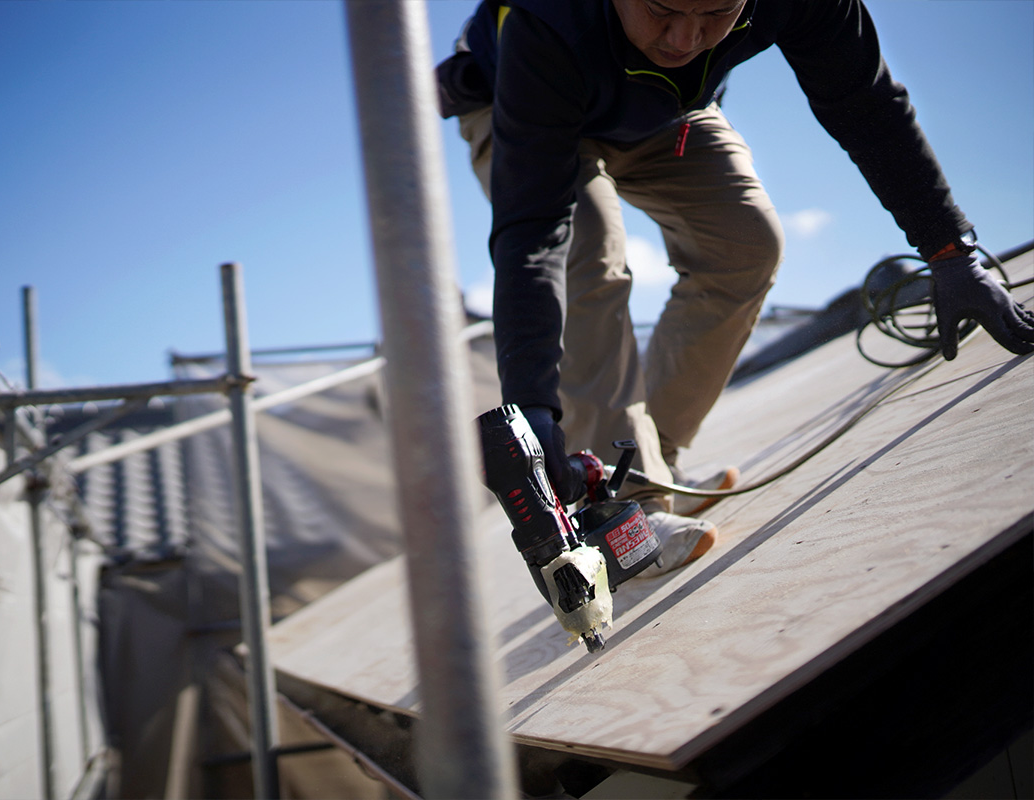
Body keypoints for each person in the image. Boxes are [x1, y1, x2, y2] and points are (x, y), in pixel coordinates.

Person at [438, 0, 1034, 573]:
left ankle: (639, 467)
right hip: (524, 102)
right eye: (663, 12)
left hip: (662, 112)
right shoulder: (546, 19)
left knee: (746, 243)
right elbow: (536, 235)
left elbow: (866, 102)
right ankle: (624, 516)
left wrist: (951, 252)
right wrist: (532, 410)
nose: (685, 40)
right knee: (587, 258)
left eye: (717, 16)